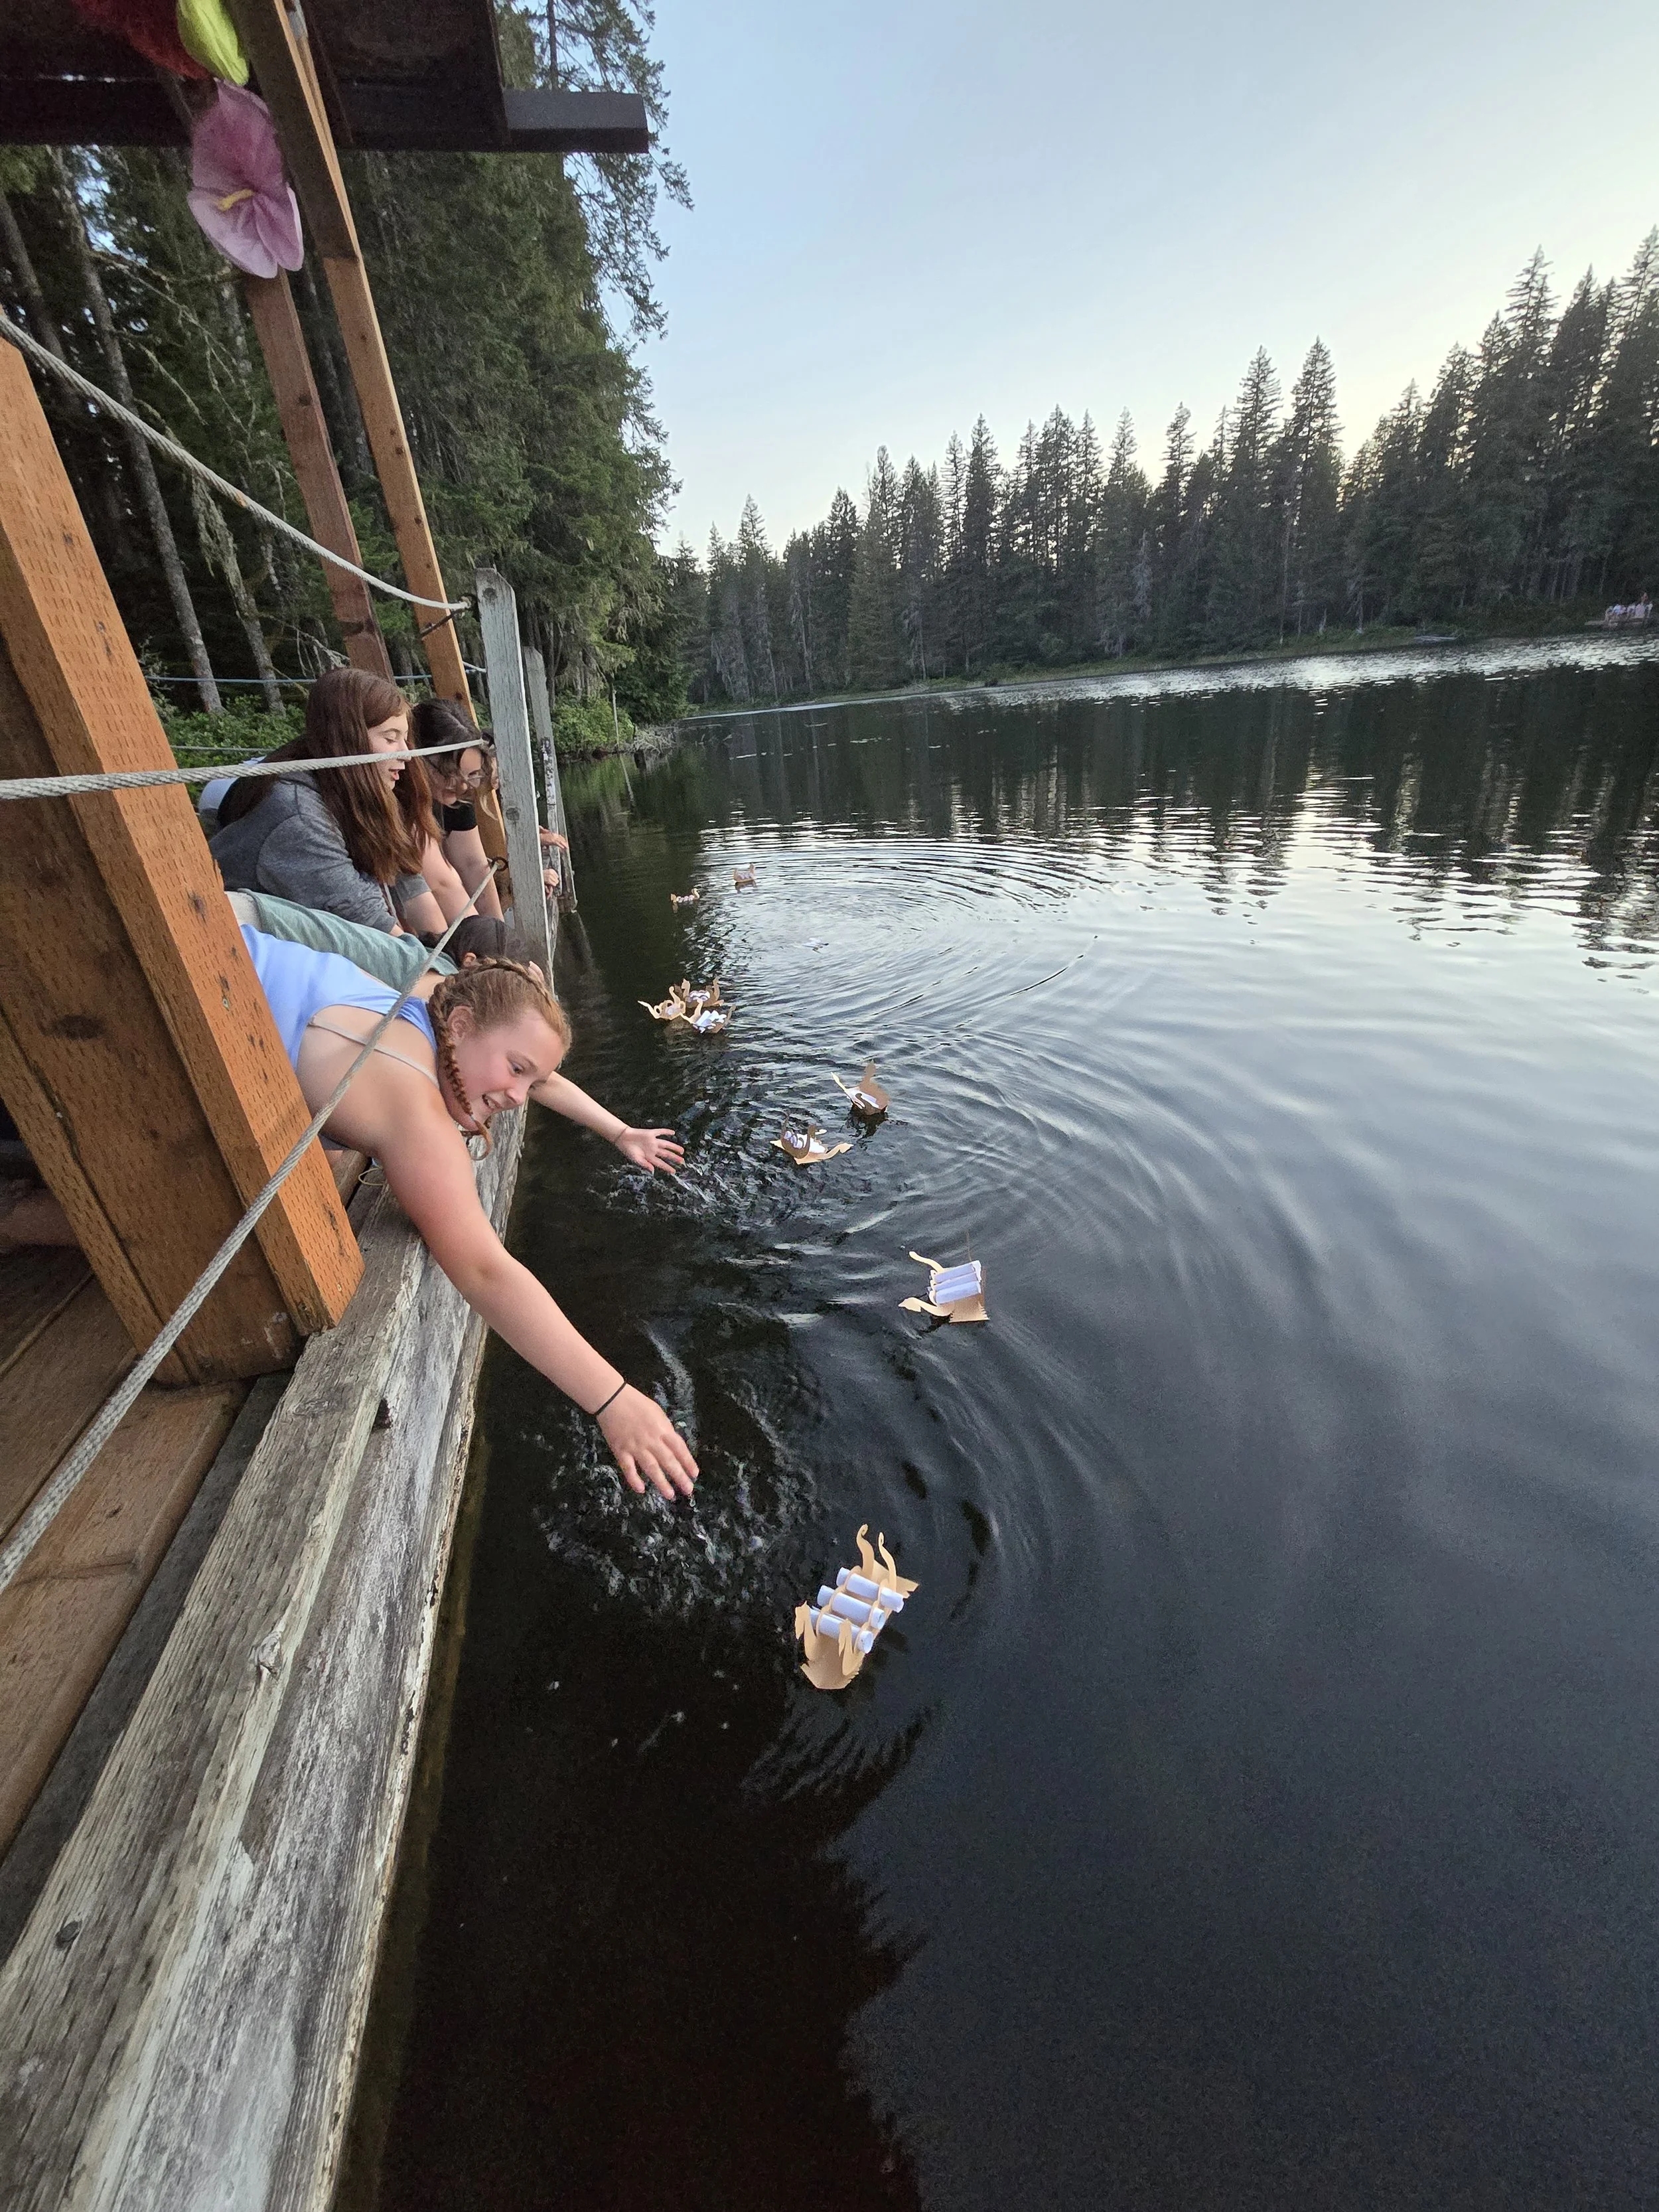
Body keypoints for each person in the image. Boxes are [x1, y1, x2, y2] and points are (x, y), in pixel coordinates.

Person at [244, 926, 696, 1500]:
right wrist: (613, 1400)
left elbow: (539, 1073)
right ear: (460, 1027)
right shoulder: (415, 1108)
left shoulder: (434, 1000)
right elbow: (484, 1270)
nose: (516, 1096)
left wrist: (618, 1130)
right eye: (515, 1070)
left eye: (527, 1080)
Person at [210, 667, 447, 937]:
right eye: (391, 738)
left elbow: (407, 878)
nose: (407, 754)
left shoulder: (348, 791)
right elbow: (373, 932)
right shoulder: (300, 819)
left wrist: (445, 946)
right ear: (348, 740)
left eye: (405, 738)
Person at [409, 700, 505, 920]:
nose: (462, 786)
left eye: (471, 775)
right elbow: (441, 884)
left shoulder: (455, 795)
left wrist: (499, 933)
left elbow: (473, 864)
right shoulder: (402, 801)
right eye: (449, 773)